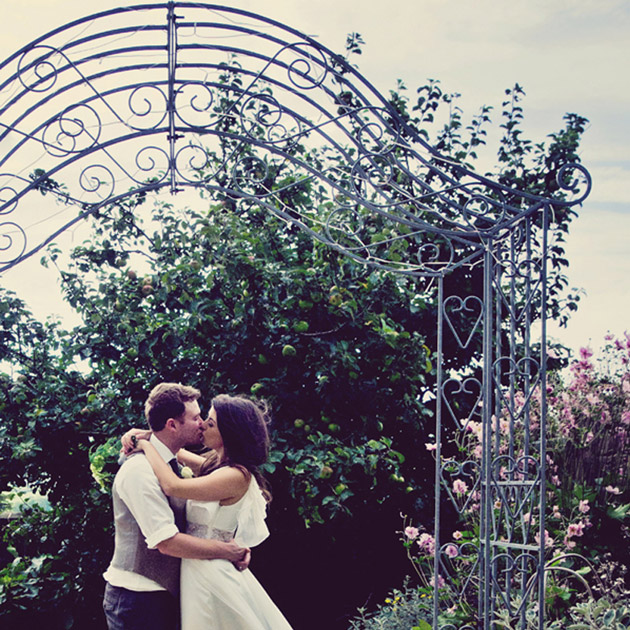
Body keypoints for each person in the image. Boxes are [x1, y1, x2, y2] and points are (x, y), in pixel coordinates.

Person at [126, 393, 293, 630]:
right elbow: (170, 449)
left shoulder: (236, 475)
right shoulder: (215, 464)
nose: (202, 424)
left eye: (211, 423)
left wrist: (143, 443)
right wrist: (147, 435)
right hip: (199, 566)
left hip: (211, 571)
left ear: (229, 434)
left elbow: (173, 485)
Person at [103, 383, 250, 630]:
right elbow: (166, 541)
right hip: (138, 598)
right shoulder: (139, 470)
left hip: (166, 596)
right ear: (172, 424)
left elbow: (208, 473)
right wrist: (228, 551)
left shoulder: (171, 465)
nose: (202, 423)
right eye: (195, 418)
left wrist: (147, 438)